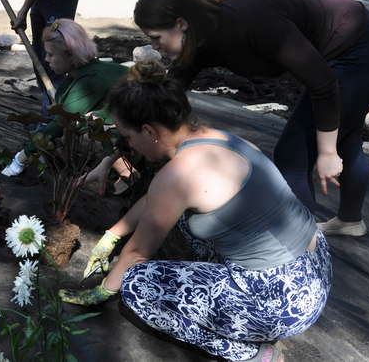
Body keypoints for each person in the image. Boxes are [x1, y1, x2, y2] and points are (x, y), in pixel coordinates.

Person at [59, 61, 331, 362]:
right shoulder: (218, 139)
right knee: (186, 220)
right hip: (314, 269)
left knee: (136, 285)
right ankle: (243, 311)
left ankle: (253, 353)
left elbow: (136, 253)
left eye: (128, 136)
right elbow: (156, 200)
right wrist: (113, 233)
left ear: (149, 131)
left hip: (281, 302)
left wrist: (103, 290)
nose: (129, 145)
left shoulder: (178, 175)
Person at [132, 0, 369, 237]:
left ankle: (303, 250)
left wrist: (327, 152)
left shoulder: (253, 23)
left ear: (181, 24)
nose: (154, 46)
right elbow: (174, 89)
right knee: (345, 136)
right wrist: (136, 124)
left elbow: (324, 85)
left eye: (156, 37)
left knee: (293, 155)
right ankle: (350, 221)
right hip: (346, 51)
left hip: (363, 52)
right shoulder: (203, 36)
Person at [1, 19, 128, 178]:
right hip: (131, 127)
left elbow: (59, 123)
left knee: (85, 128)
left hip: (142, 131)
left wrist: (20, 159)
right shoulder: (84, 72)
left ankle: (127, 174)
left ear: (70, 54)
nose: (46, 59)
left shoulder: (90, 80)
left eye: (51, 54)